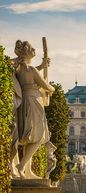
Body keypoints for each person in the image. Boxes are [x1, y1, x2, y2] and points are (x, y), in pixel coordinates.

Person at [11, 40, 55, 179]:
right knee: (40, 135)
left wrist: (42, 66)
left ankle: (26, 170)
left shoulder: (20, 68)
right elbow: (46, 86)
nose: (35, 49)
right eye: (31, 48)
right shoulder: (32, 69)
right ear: (26, 52)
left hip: (23, 101)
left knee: (29, 136)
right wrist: (51, 88)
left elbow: (28, 74)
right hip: (34, 102)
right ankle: (21, 165)